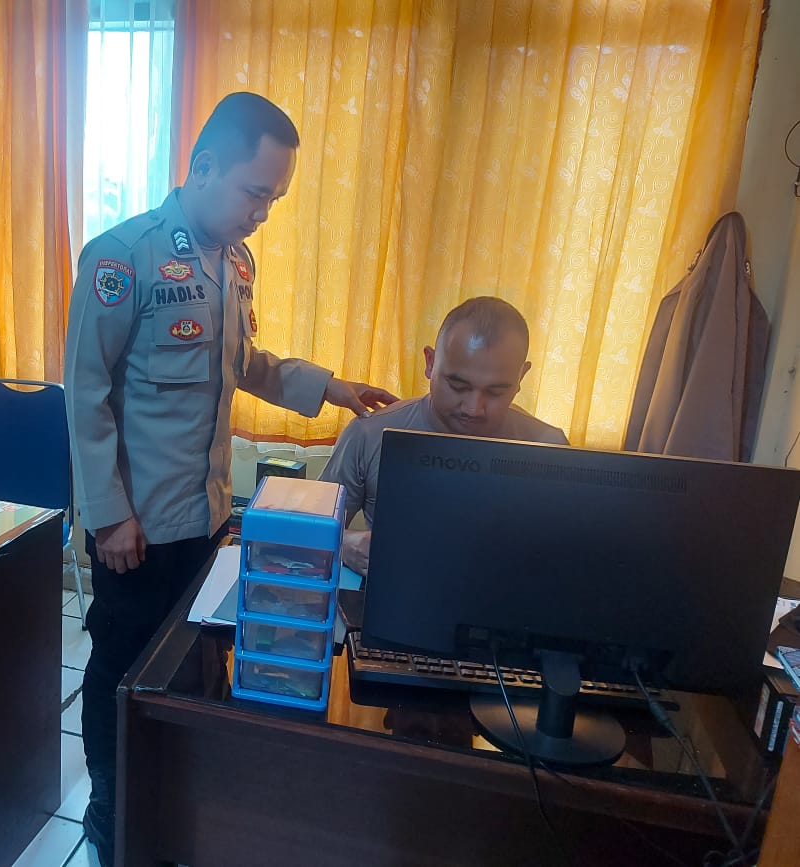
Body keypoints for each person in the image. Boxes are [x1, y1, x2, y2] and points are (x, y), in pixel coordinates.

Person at [63, 91, 398, 866]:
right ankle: (110, 803)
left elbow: (242, 361)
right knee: (119, 667)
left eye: (274, 198)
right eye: (256, 192)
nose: (263, 213)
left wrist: (329, 386)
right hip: (135, 527)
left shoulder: (233, 263)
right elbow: (83, 395)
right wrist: (108, 516)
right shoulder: (121, 257)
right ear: (206, 166)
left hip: (206, 515)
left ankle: (173, 797)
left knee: (190, 662)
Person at [319, 296, 567, 576]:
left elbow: (570, 558)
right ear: (430, 362)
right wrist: (345, 544)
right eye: (458, 386)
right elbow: (306, 533)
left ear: (521, 377)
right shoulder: (370, 434)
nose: (473, 408)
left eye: (495, 392)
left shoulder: (549, 449)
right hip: (399, 592)